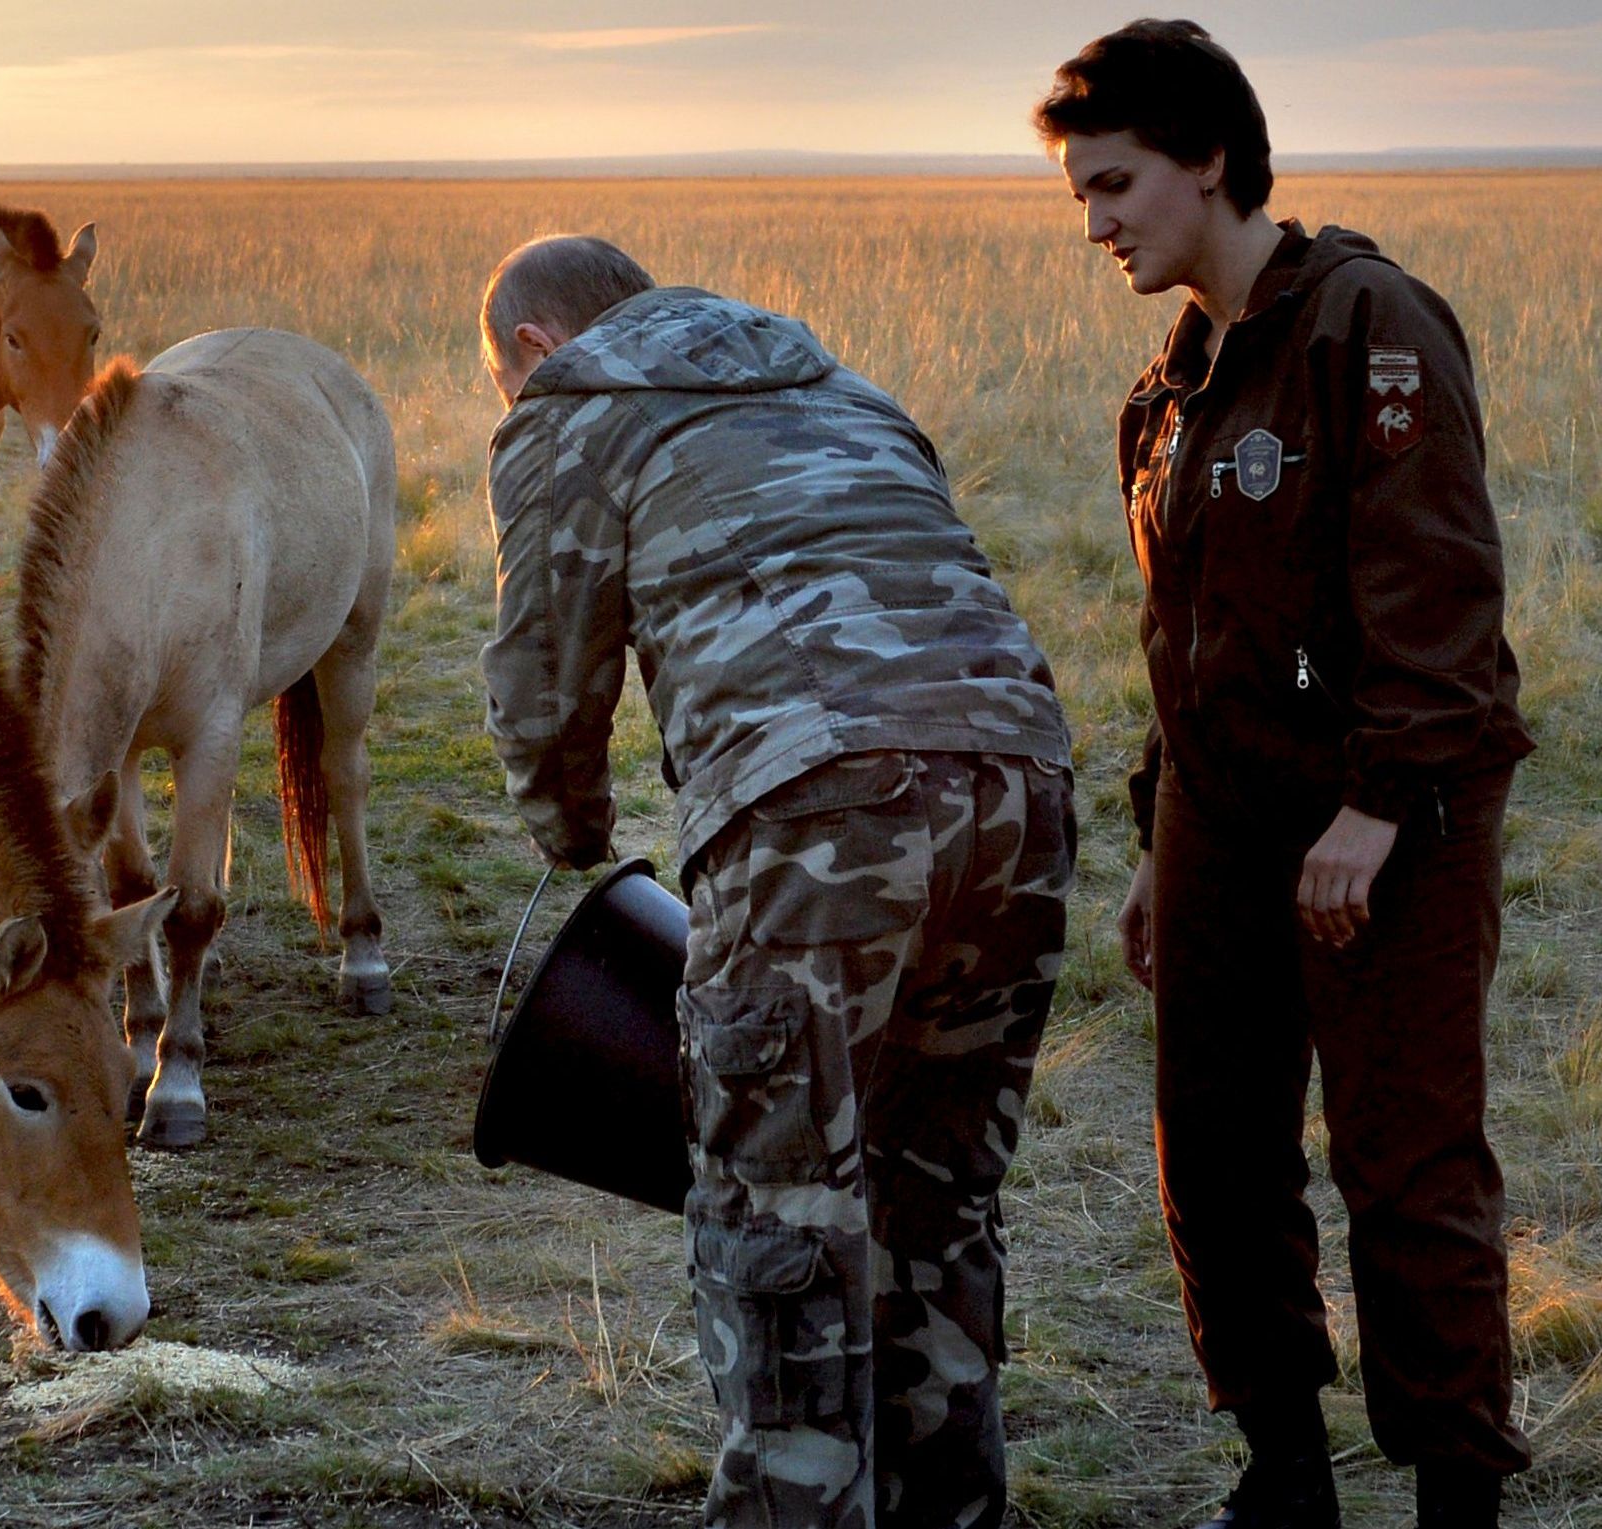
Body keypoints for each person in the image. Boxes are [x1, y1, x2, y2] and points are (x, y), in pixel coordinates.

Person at [478, 234, 1075, 1529]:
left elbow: (542, 688)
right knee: (935, 1202)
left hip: (818, 815)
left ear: (536, 349)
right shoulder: (840, 384)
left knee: (780, 1227)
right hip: (1022, 787)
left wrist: (573, 833)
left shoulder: (569, 412)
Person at [1035, 20, 1535, 1529]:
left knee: (1406, 1158)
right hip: (1221, 818)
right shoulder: (1171, 384)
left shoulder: (1366, 325)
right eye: (1083, 199)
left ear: (1210, 159)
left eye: (1117, 185)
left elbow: (1439, 590)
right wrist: (1153, 837)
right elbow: (1189, 633)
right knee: (1217, 1149)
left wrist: (1377, 806)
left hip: (1392, 817)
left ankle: (1458, 1491)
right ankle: (1285, 1473)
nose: (1101, 224)